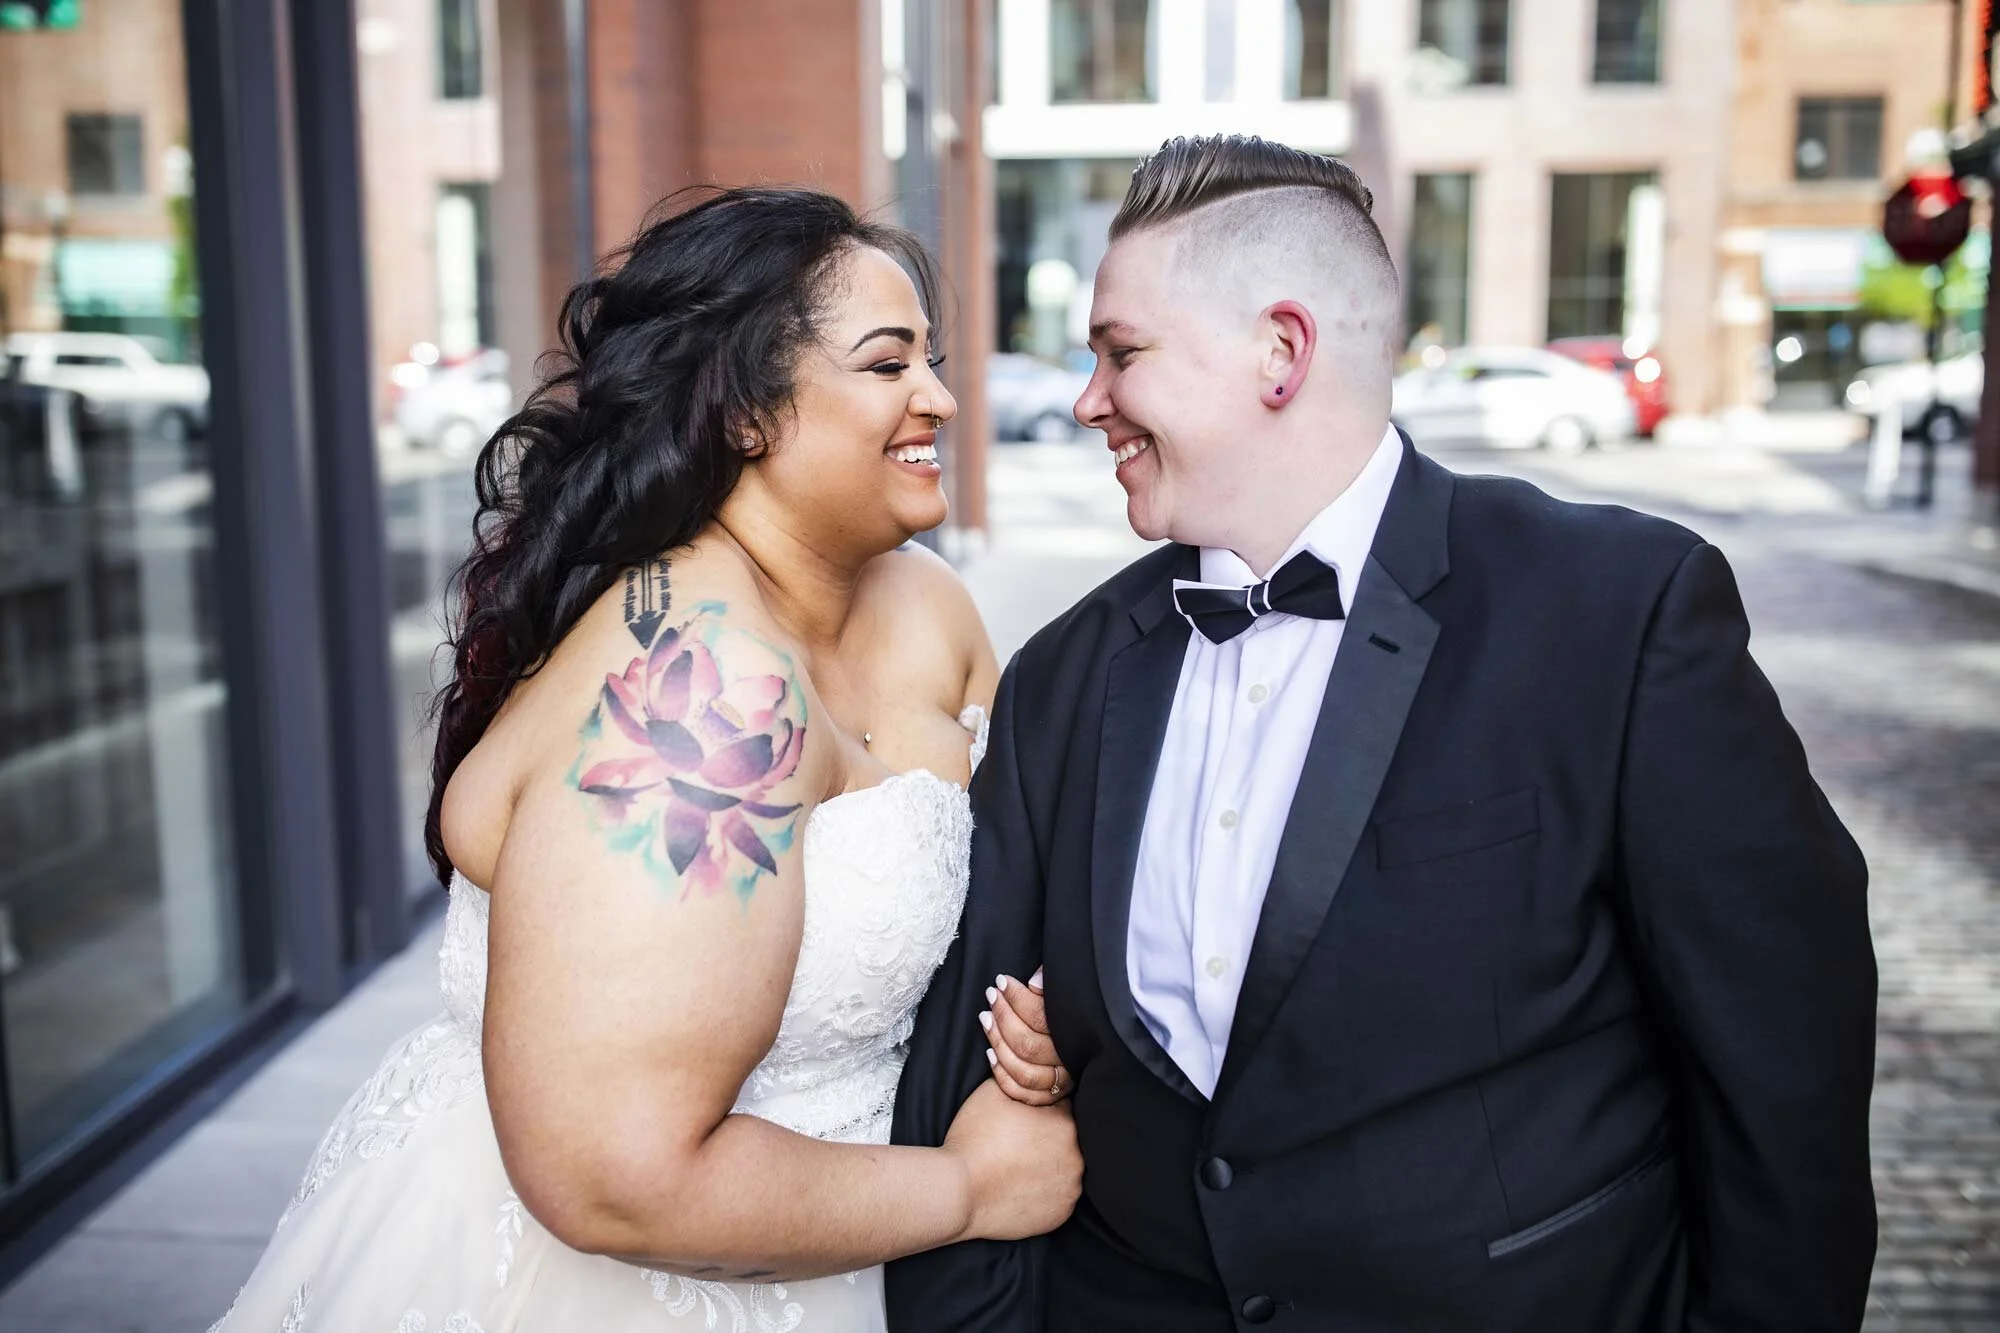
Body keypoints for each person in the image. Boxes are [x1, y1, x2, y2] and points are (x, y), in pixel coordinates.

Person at [888, 136, 1879, 1331]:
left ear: (1280, 351)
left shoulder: (1613, 615)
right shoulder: (1065, 674)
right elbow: (956, 1084)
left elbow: (1781, 1066)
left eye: (1121, 353)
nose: (1088, 398)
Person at [209, 186, 1081, 1332]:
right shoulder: (700, 686)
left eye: (931, 358)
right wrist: (970, 1188)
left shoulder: (929, 608)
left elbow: (996, 905)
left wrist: (1038, 1033)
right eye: (885, 365)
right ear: (744, 414)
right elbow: (615, 1176)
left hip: (861, 1263)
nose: (940, 398)